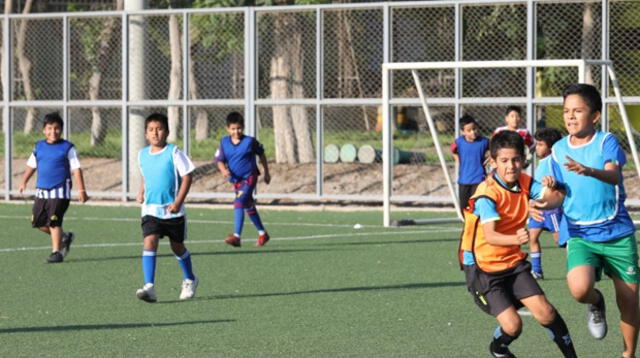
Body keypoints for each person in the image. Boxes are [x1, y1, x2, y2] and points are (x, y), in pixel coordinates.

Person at [459, 131, 577, 358]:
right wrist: (517, 238)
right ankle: (498, 348)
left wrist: (549, 195)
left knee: (546, 312)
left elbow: (554, 198)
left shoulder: (524, 182)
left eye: (515, 160)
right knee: (513, 326)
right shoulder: (487, 194)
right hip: (483, 268)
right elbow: (491, 236)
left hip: (512, 263)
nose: (511, 166)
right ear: (492, 162)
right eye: (504, 161)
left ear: (523, 160)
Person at [543, 83, 639, 358]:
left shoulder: (606, 141)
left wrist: (588, 170)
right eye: (566, 111)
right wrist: (543, 202)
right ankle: (596, 303)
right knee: (580, 289)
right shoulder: (558, 150)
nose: (570, 117)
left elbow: (612, 175)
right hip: (580, 235)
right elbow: (557, 195)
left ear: (595, 115)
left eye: (578, 111)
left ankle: (628, 354)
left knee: (630, 300)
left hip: (617, 233)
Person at [135, 113, 198, 303]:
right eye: (151, 130)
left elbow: (187, 176)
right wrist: (141, 191)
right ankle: (149, 287)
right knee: (150, 241)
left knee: (177, 246)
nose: (155, 133)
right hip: (150, 210)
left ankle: (190, 279)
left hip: (172, 210)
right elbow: (146, 176)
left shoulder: (174, 152)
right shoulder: (142, 154)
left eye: (159, 129)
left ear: (167, 132)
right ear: (146, 133)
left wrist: (178, 201)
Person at [18, 112, 88, 263]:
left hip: (60, 191)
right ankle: (64, 237)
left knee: (54, 221)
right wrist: (23, 181)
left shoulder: (67, 148)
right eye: (49, 128)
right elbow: (31, 165)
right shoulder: (39, 147)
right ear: (44, 130)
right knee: (38, 222)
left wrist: (82, 190)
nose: (53, 131)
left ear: (61, 130)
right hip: (41, 191)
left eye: (56, 128)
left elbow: (76, 170)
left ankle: (57, 252)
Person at [215, 112, 271, 247]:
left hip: (249, 177)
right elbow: (219, 160)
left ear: (243, 127)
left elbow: (262, 155)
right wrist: (223, 170)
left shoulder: (249, 142)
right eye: (233, 129)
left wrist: (266, 172)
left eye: (239, 128)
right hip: (236, 180)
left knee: (239, 202)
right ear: (228, 128)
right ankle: (263, 234)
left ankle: (236, 236)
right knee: (248, 205)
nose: (236, 131)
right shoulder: (224, 142)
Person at [527, 127, 565, 280]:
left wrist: (553, 185)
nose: (537, 147)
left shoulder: (552, 161)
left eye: (541, 144)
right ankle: (537, 270)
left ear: (550, 147)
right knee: (532, 237)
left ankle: (585, 264)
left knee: (560, 240)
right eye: (537, 144)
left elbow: (558, 184)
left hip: (551, 209)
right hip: (538, 207)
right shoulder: (541, 162)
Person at [451, 114, 490, 210]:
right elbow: (452, 150)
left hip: (479, 180)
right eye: (469, 130)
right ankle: (467, 224)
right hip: (464, 181)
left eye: (474, 129)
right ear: (463, 132)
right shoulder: (459, 142)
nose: (473, 132)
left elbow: (495, 150)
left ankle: (478, 224)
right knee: (464, 208)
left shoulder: (484, 141)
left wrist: (490, 159)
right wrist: (458, 159)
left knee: (477, 206)